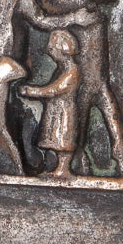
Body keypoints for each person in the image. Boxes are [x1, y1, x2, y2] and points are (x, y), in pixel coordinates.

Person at [18, 30, 81, 178]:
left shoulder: (72, 72)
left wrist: (32, 91)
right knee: (55, 137)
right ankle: (59, 167)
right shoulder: (61, 70)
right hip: (55, 109)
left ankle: (64, 168)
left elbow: (54, 89)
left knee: (63, 138)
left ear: (62, 49)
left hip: (64, 111)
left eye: (52, 49)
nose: (50, 52)